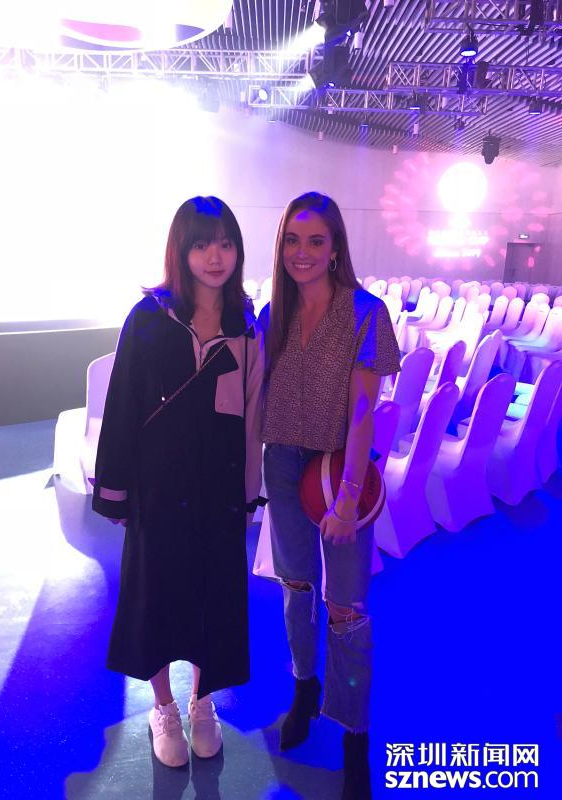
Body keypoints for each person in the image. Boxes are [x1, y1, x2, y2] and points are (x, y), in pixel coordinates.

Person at [91, 196, 265, 768]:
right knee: (159, 595)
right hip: (159, 488)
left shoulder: (246, 325)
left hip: (218, 490)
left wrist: (248, 494)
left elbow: (252, 418)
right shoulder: (149, 319)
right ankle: (163, 705)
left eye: (226, 244)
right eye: (201, 244)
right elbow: (121, 407)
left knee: (213, 597)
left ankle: (202, 700)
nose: (215, 257)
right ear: (180, 250)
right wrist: (116, 489)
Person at [259, 192, 401, 799]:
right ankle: (304, 687)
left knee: (346, 606)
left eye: (316, 241)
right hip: (282, 463)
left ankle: (354, 734)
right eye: (292, 240)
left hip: (339, 470)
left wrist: (346, 499)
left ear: (336, 247)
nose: (303, 252)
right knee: (295, 585)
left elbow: (363, 410)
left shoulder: (365, 311)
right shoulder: (275, 312)